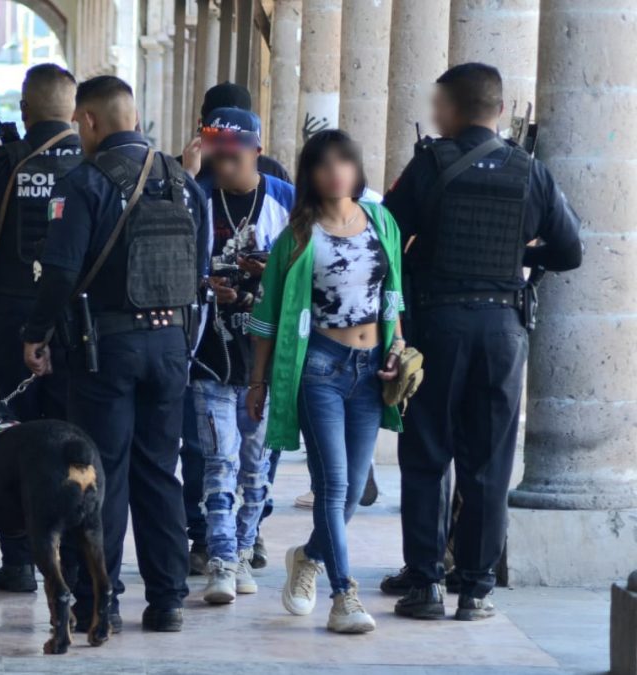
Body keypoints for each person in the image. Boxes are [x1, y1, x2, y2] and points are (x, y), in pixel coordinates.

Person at [383, 63, 582, 620]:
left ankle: (424, 585)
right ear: (498, 109)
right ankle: (475, 591)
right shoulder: (530, 171)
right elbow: (569, 251)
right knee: (489, 463)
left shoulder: (429, 163)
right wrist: (519, 256)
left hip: (438, 325)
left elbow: (386, 238)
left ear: (450, 107)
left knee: (426, 455)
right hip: (501, 330)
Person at [22, 75, 209, 632]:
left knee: (102, 476)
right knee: (161, 470)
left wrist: (36, 332)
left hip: (106, 347)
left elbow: (60, 271)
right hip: (171, 345)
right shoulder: (182, 180)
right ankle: (169, 600)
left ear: (88, 121)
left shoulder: (86, 181)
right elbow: (199, 268)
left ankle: (100, 601)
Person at [245, 130, 406, 634]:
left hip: (371, 367)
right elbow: (267, 316)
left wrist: (397, 347)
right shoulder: (296, 237)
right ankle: (344, 595)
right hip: (319, 367)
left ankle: (309, 557)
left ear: (357, 169)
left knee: (354, 490)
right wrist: (257, 383)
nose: (336, 171)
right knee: (332, 486)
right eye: (324, 163)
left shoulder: (381, 222)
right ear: (310, 175)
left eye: (345, 161)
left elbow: (393, 295)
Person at [0, 63, 84, 592]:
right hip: (77, 323)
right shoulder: (91, 164)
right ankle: (72, 560)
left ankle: (21, 561)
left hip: (8, 317)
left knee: (10, 436)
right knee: (75, 433)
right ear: (75, 113)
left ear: (25, 110)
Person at [190, 107, 295, 605]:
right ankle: (221, 559)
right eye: (215, 155)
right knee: (219, 460)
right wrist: (205, 287)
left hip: (266, 362)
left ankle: (248, 543)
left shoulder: (286, 203)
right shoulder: (196, 200)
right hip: (209, 355)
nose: (223, 165)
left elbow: (306, 279)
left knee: (256, 464)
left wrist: (263, 277)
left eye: (232, 155)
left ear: (256, 150)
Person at [180, 82, 292, 184]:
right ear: (201, 126)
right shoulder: (181, 167)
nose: (225, 168)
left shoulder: (272, 171)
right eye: (217, 130)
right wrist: (188, 174)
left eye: (235, 132)